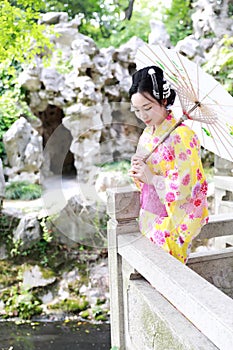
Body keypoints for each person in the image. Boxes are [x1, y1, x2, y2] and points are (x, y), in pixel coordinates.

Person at [128, 65, 209, 264]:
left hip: (172, 220)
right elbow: (143, 178)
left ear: (164, 100)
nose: (143, 116)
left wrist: (152, 178)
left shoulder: (182, 135)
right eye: (137, 110)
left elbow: (188, 187)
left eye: (147, 108)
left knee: (167, 274)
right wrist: (139, 170)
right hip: (149, 213)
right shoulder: (148, 133)